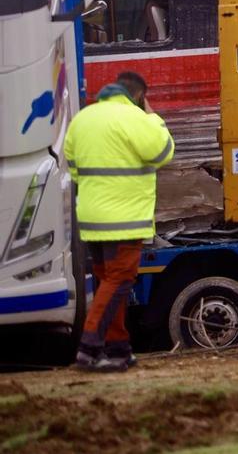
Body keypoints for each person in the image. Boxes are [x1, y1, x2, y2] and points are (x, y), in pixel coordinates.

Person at [64, 71, 174, 372]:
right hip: (123, 219)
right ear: (139, 96)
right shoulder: (135, 118)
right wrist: (153, 117)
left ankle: (118, 348)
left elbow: (73, 168)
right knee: (118, 281)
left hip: (90, 218)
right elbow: (163, 151)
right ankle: (89, 347)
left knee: (109, 284)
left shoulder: (82, 119)